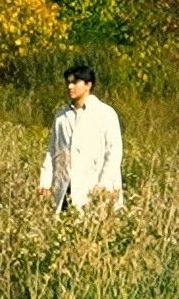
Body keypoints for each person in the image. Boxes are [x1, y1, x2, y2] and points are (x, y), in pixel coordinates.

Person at [38, 63, 123, 212]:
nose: (70, 87)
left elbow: (114, 152)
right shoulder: (61, 117)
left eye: (75, 82)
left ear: (88, 85)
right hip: (66, 187)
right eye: (68, 82)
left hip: (96, 186)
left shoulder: (105, 114)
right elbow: (52, 151)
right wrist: (46, 181)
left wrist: (103, 185)